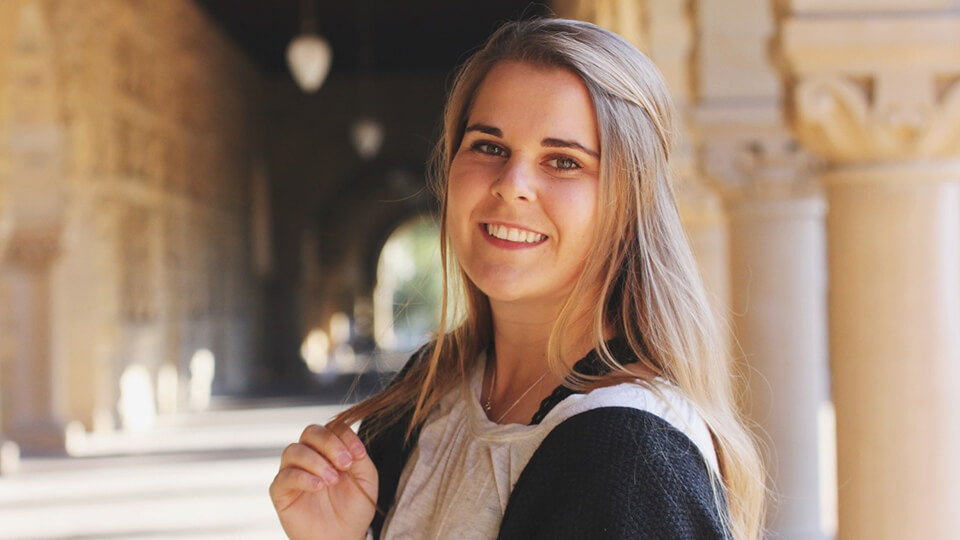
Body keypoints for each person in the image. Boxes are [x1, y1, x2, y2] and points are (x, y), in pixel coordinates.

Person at [269, 17, 766, 540]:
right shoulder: (425, 395)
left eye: (563, 161)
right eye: (489, 147)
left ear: (629, 201)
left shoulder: (630, 458)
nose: (512, 186)